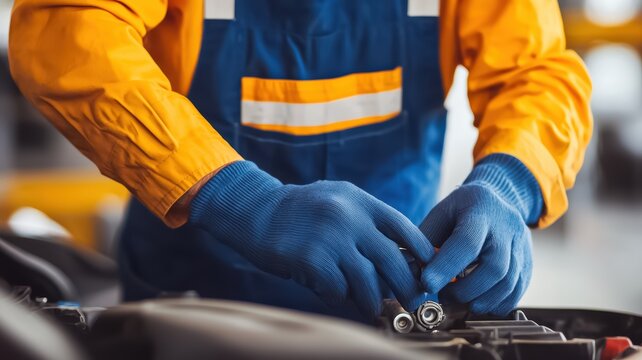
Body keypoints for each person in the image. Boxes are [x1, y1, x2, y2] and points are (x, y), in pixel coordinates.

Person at [8, 0, 592, 322]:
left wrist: (510, 180)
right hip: (187, 303)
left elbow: (534, 70)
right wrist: (241, 199)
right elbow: (69, 34)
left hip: (394, 304)